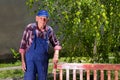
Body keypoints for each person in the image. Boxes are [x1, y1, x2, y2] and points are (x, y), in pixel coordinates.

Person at [19, 10, 61, 80]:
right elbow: (23, 45)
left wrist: (56, 54)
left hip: (42, 61)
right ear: (37, 18)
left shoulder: (49, 30)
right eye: (41, 18)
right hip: (30, 61)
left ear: (47, 20)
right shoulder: (30, 28)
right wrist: (23, 61)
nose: (42, 21)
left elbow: (56, 43)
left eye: (45, 19)